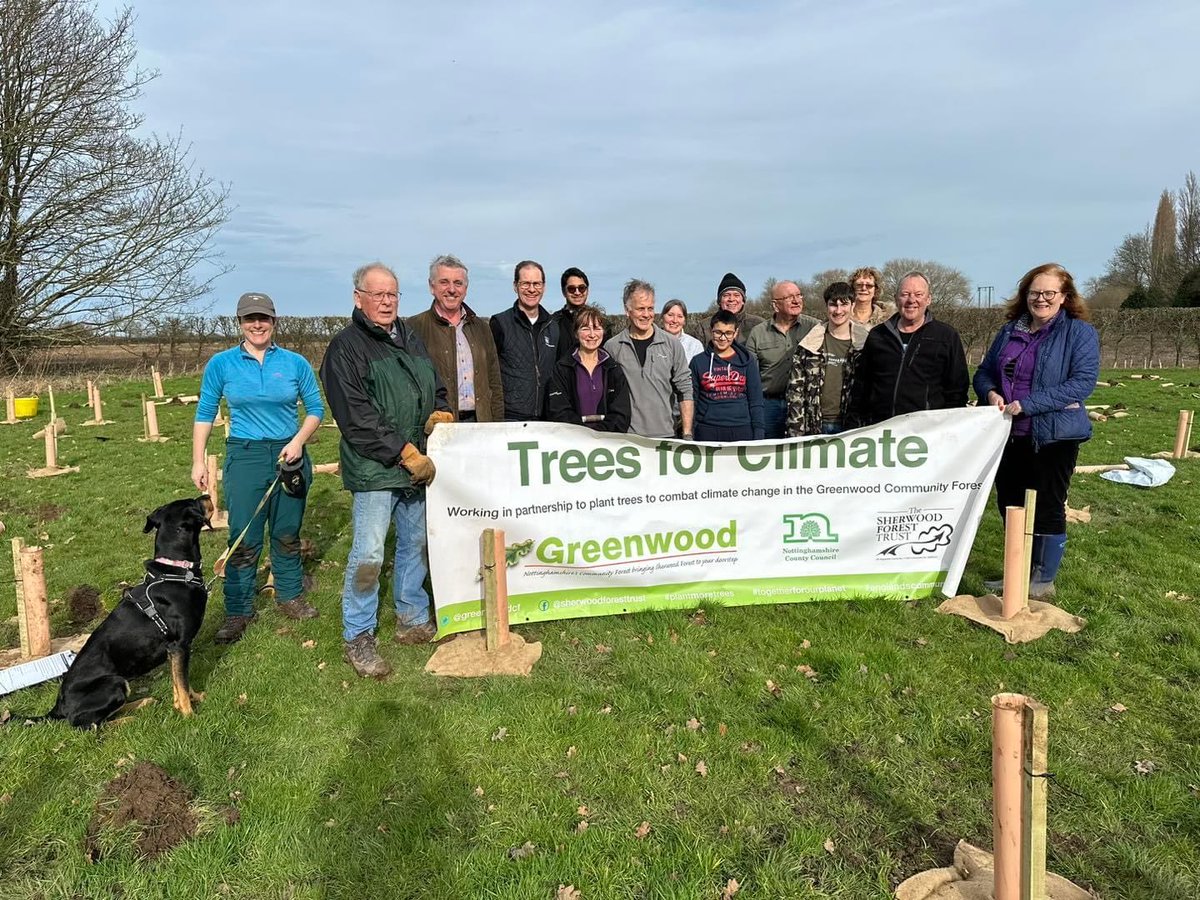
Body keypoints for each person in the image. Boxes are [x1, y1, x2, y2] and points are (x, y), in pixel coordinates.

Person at [319, 262, 452, 678]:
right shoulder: (346, 348)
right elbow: (357, 417)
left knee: (415, 543)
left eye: (392, 294)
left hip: (415, 465)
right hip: (377, 468)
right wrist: (405, 452)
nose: (386, 301)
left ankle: (411, 616)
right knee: (370, 552)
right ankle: (358, 634)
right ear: (358, 298)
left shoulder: (409, 337)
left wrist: (441, 411)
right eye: (377, 294)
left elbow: (433, 382)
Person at [192, 292, 324, 644]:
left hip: (289, 454)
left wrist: (298, 441)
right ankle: (238, 609)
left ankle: (289, 594)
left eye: (263, 318)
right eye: (250, 318)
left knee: (286, 530)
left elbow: (315, 409)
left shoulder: (295, 363)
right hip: (245, 455)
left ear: (274, 321)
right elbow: (205, 412)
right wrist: (198, 459)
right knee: (244, 535)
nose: (257, 324)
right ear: (240, 323)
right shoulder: (221, 364)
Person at [974, 263, 1099, 598]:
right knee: (1010, 503)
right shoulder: (1009, 331)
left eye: (1048, 293)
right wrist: (989, 392)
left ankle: (1042, 580)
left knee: (1046, 505)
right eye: (1034, 292)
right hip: (1008, 434)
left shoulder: (1079, 333)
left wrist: (1029, 404)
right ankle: (1017, 572)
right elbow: (984, 372)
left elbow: (1081, 383)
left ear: (1064, 297)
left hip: (1053, 435)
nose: (1040, 299)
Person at [848, 271, 969, 426]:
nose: (911, 300)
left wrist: (947, 428)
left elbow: (957, 391)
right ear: (896, 298)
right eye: (905, 294)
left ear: (929, 299)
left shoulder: (946, 336)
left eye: (918, 294)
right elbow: (862, 387)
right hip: (881, 431)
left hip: (925, 434)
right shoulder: (878, 335)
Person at [408, 254, 504, 422]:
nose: (452, 289)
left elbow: (494, 381)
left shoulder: (481, 328)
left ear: (465, 288)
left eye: (458, 283)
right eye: (444, 282)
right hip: (439, 424)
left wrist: (497, 423)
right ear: (432, 286)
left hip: (480, 422)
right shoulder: (414, 327)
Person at [605, 279, 694, 439]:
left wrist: (687, 433)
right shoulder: (612, 347)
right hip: (628, 438)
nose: (646, 314)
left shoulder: (672, 344)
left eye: (650, 308)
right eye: (640, 309)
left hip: (666, 436)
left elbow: (685, 389)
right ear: (627, 310)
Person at [785, 282, 869, 436]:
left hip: (853, 428)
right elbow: (795, 393)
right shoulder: (808, 345)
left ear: (853, 305)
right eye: (833, 304)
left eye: (844, 304)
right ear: (826, 307)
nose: (838, 310)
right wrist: (795, 433)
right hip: (815, 425)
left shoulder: (866, 346)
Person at [745, 280, 819, 438]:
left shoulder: (815, 328)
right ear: (775, 305)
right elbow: (749, 375)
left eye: (799, 295)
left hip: (804, 404)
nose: (796, 300)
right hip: (769, 405)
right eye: (789, 297)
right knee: (767, 453)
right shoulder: (758, 333)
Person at [490, 260, 559, 420]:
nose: (532, 289)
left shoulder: (553, 327)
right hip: (510, 418)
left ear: (544, 287)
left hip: (546, 418)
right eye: (525, 284)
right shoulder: (500, 323)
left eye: (537, 284)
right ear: (515, 286)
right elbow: (490, 373)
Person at [545, 304, 631, 432]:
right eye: (585, 328)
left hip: (608, 442)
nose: (592, 335)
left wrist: (601, 433)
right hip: (573, 442)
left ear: (603, 332)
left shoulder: (613, 368)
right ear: (576, 333)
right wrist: (585, 433)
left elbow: (621, 413)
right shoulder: (562, 369)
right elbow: (558, 411)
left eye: (597, 328)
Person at [690, 310, 764, 441]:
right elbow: (693, 400)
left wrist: (758, 432)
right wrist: (691, 430)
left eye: (728, 333)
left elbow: (756, 400)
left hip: (742, 429)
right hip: (707, 429)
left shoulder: (748, 361)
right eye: (718, 332)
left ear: (736, 333)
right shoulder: (698, 362)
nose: (723, 338)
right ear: (711, 331)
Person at [553, 267, 610, 359]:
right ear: (564, 292)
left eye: (581, 288)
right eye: (571, 289)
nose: (577, 292)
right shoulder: (553, 323)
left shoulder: (601, 322)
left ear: (587, 290)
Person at [704, 272, 765, 342]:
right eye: (726, 295)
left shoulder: (758, 325)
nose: (731, 299)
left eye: (736, 295)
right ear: (719, 301)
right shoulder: (704, 328)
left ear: (743, 301)